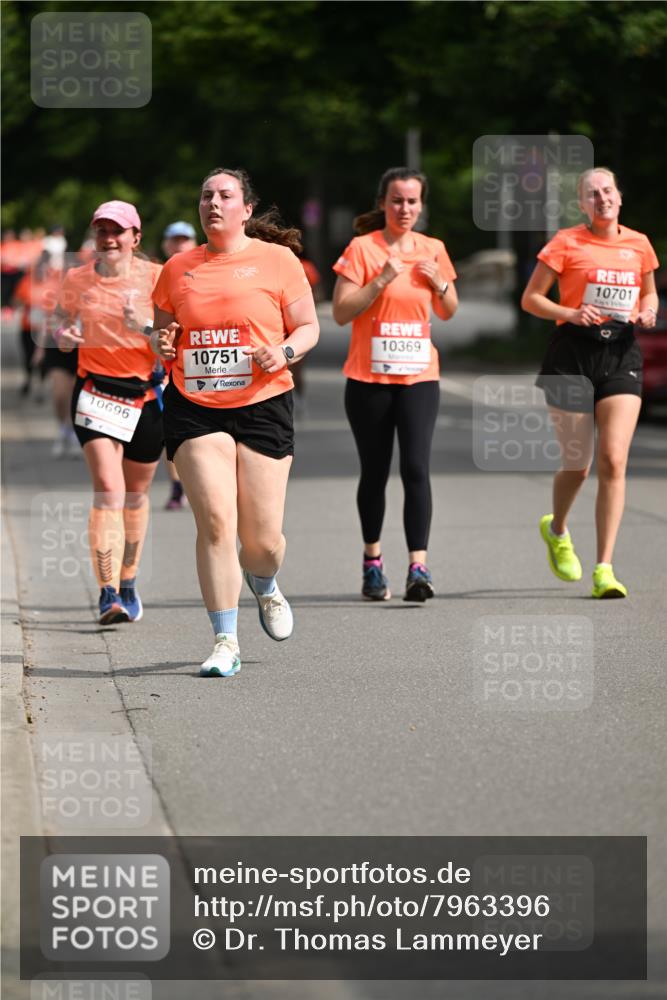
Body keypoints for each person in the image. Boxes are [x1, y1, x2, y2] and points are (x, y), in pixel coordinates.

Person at [151, 168, 319, 677]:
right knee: (217, 523)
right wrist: (159, 346)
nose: (213, 203)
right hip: (195, 405)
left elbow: (309, 326)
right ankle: (225, 640)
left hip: (264, 402)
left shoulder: (278, 260)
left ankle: (264, 583)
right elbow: (161, 334)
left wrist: (284, 351)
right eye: (206, 196)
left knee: (262, 542)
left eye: (225, 195)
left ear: (246, 209)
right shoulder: (177, 268)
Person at [521, 167, 659, 599]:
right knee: (579, 465)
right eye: (592, 194)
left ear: (619, 196)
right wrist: (568, 312)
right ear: (582, 203)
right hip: (571, 357)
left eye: (608, 191)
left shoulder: (638, 243)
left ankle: (604, 568)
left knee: (614, 460)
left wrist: (649, 310)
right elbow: (532, 299)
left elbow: (649, 292)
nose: (602, 198)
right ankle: (558, 529)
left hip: (621, 355)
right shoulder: (566, 242)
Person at [332, 166, 458, 602]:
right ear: (383, 203)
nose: (405, 208)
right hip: (369, 378)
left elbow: (448, 310)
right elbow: (342, 312)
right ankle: (372, 563)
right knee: (375, 470)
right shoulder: (362, 250)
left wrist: (438, 281)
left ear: (421, 206)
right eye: (397, 201)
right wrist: (382, 279)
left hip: (420, 376)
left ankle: (418, 568)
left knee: (417, 469)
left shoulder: (433, 249)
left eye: (412, 201)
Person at [56, 200, 163, 623]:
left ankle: (129, 581)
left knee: (135, 497)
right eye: (102, 230)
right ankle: (107, 594)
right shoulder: (77, 279)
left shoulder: (157, 278)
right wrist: (65, 335)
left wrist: (146, 327)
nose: (109, 238)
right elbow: (60, 326)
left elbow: (172, 343)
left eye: (118, 231)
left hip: (145, 398)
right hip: (96, 393)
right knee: (109, 489)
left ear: (135, 238)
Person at [160, 221, 198, 509]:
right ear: (165, 244)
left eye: (185, 240)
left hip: (199, 365)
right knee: (169, 431)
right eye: (175, 240)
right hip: (161, 365)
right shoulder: (158, 275)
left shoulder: (203, 271)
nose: (179, 245)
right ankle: (176, 486)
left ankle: (195, 483)